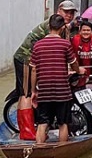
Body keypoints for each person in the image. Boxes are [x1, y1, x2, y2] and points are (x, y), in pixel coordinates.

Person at [11, 0, 77, 101]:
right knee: (26, 93)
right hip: (25, 58)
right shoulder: (51, 25)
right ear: (58, 11)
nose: (69, 15)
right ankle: (25, 115)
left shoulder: (64, 28)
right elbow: (54, 50)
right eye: (66, 12)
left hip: (36, 61)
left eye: (71, 13)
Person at [29, 14, 79, 143]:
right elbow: (73, 63)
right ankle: (62, 150)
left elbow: (34, 69)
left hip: (45, 90)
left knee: (42, 123)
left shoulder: (38, 45)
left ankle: (39, 148)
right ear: (62, 28)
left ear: (49, 26)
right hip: (62, 91)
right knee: (63, 123)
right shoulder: (65, 44)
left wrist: (33, 90)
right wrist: (79, 70)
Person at [71, 20, 92, 85]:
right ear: (79, 31)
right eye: (84, 30)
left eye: (88, 30)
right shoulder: (75, 39)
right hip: (79, 71)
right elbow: (72, 55)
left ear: (91, 31)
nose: (86, 32)